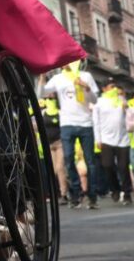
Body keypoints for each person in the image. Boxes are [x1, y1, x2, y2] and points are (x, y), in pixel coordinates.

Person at [41, 63, 99, 209]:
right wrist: (41, 77)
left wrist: (86, 88)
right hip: (67, 124)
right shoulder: (58, 78)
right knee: (68, 159)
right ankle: (76, 194)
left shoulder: (86, 76)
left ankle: (92, 196)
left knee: (90, 161)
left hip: (86, 124)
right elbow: (41, 93)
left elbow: (94, 100)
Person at [92, 79, 132, 205]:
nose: (114, 88)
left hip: (123, 139)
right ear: (104, 89)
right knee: (107, 165)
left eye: (115, 86)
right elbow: (95, 122)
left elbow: (130, 116)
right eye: (111, 86)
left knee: (123, 167)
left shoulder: (122, 100)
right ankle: (115, 189)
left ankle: (127, 193)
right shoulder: (99, 102)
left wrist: (126, 107)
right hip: (106, 139)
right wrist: (98, 139)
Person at [41, 92, 68, 203]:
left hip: (59, 142)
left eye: (52, 98)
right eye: (47, 98)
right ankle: (54, 192)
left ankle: (64, 193)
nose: (49, 100)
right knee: (52, 170)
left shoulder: (60, 113)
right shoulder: (43, 112)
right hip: (48, 144)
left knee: (60, 168)